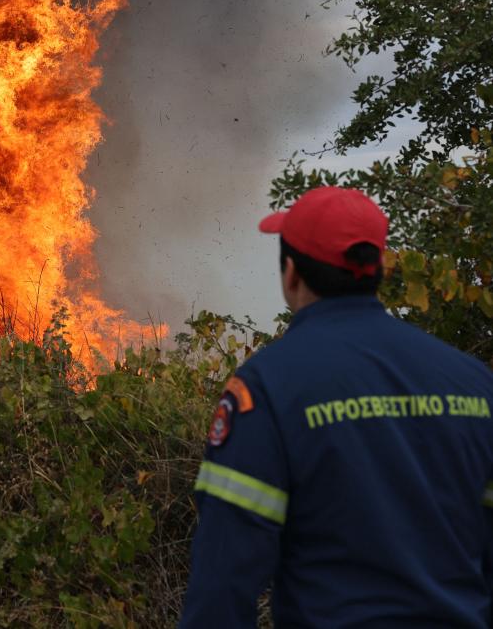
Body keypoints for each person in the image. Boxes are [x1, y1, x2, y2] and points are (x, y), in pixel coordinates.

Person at [179, 186, 493, 627]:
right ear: (378, 268)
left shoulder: (267, 387)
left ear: (291, 273)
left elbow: (224, 581)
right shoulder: (474, 382)